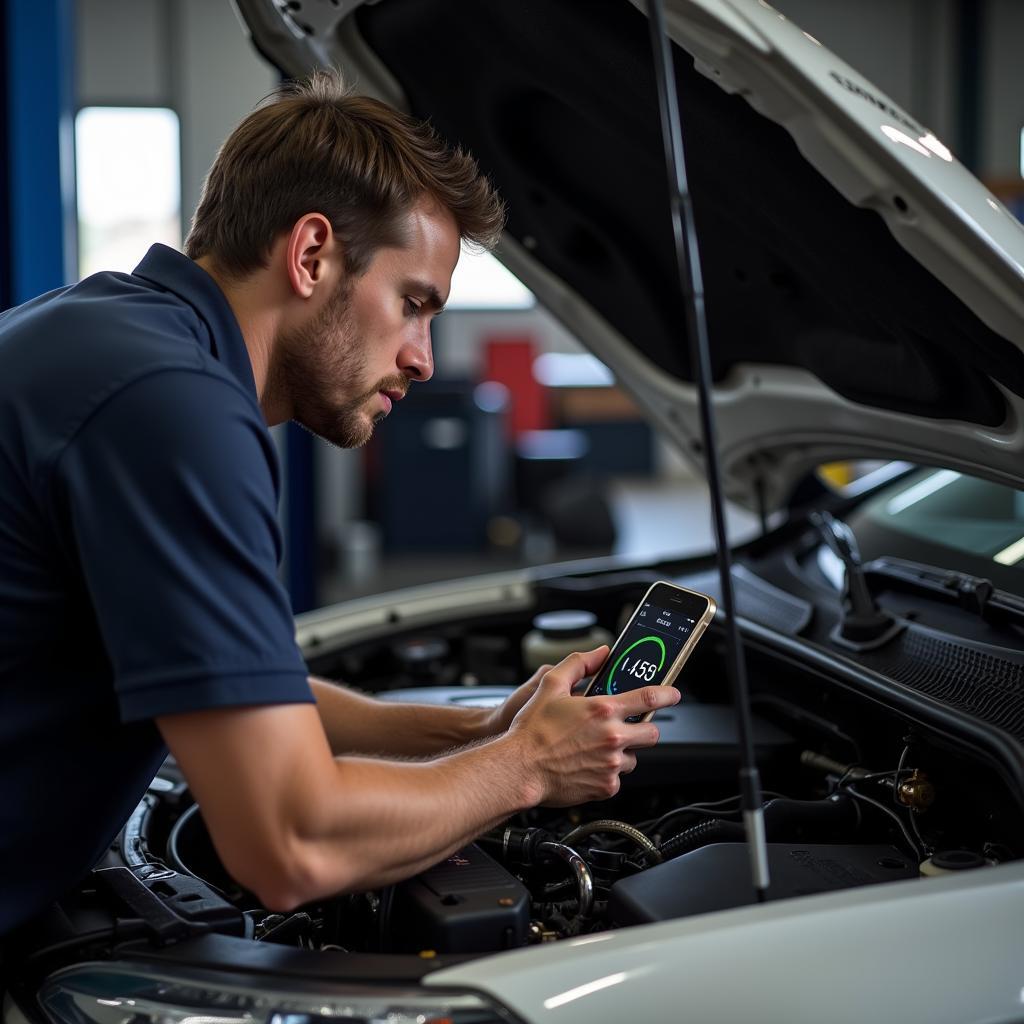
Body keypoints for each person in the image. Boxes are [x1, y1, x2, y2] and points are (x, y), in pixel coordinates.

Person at [0, 71, 679, 933]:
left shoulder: (103, 331)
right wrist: (529, 768)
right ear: (312, 254)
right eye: (414, 305)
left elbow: (237, 692)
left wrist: (480, 734)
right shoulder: (175, 406)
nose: (424, 358)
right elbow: (289, 844)